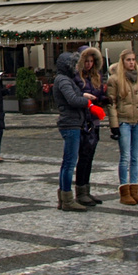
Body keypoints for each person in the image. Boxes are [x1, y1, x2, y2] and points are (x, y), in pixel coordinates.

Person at [107, 48, 138, 205]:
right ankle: (124, 191)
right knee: (125, 157)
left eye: (133, 59)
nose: (132, 62)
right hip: (124, 121)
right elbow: (111, 103)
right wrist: (114, 125)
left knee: (135, 157)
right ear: (122, 61)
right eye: (128, 60)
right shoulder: (115, 79)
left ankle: (134, 190)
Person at [52, 51, 96, 212]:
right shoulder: (63, 80)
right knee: (69, 163)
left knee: (69, 162)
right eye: (75, 65)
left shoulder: (65, 79)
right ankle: (67, 199)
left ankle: (66, 198)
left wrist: (82, 95)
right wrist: (87, 101)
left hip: (73, 122)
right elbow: (72, 99)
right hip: (70, 123)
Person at [74, 46, 107, 206]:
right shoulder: (76, 77)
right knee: (84, 157)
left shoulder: (96, 76)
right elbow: (73, 96)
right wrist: (83, 97)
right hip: (83, 120)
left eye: (91, 61)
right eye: (86, 61)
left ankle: (86, 189)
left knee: (90, 157)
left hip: (94, 119)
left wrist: (103, 98)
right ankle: (80, 190)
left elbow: (99, 93)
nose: (88, 64)